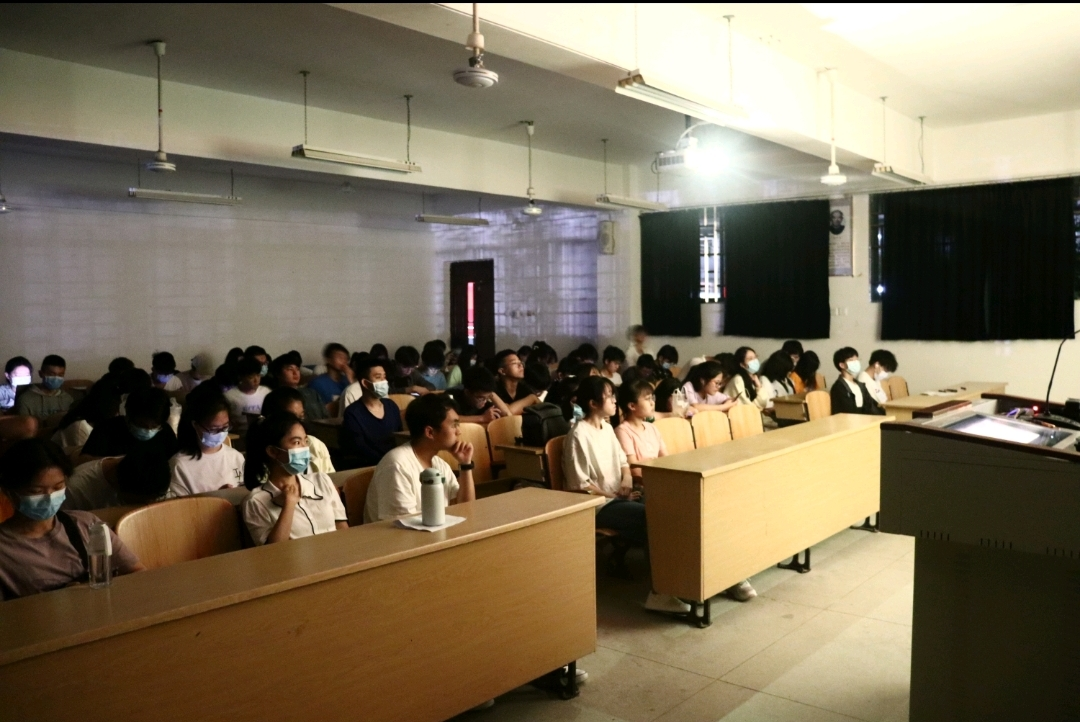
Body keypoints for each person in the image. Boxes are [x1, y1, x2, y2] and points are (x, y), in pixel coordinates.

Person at [563, 377, 699, 612]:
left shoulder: (606, 428)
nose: (615, 400)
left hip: (619, 496)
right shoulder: (578, 435)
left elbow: (624, 463)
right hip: (598, 505)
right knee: (654, 518)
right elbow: (580, 485)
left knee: (673, 507)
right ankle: (659, 593)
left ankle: (683, 582)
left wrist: (626, 483)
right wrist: (615, 496)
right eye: (609, 396)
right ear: (593, 403)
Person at [0, 438, 144, 600]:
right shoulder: (4, 548)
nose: (49, 497)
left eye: (58, 487)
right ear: (10, 492)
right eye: (36, 491)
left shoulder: (87, 525)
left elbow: (137, 573)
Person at [365, 394, 476, 523]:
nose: (459, 432)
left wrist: (465, 465)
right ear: (430, 432)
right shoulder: (397, 465)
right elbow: (401, 525)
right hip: (396, 534)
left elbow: (465, 509)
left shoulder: (439, 464)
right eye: (454, 425)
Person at [241, 414, 347, 545]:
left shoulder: (322, 480)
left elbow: (343, 529)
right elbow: (273, 551)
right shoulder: (255, 502)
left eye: (305, 441)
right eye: (296, 442)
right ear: (273, 451)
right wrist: (289, 505)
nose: (305, 448)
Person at [167, 385, 245, 497]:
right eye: (213, 429)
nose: (220, 433)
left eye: (225, 427)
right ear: (195, 425)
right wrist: (216, 498)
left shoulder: (236, 457)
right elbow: (178, 505)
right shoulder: (180, 464)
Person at [81, 386, 178, 459]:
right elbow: (83, 460)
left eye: (154, 427)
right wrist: (114, 463)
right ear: (128, 415)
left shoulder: (165, 432)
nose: (148, 430)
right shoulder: (107, 429)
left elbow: (174, 460)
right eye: (142, 425)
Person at [341, 357, 403, 468]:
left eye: (384, 377)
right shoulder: (352, 413)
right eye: (378, 377)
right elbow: (361, 449)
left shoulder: (391, 406)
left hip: (396, 464)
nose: (384, 382)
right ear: (365, 383)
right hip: (371, 467)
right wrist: (388, 462)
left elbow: (399, 438)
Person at [63, 451, 172, 510]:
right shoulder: (74, 490)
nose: (150, 504)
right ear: (117, 485)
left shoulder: (153, 475)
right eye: (140, 502)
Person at [260, 388, 335, 474]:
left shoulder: (315, 445)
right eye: (291, 418)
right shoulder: (260, 454)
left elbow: (331, 478)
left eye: (301, 417)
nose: (298, 423)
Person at [615, 380, 667, 480]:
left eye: (652, 398)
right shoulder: (622, 431)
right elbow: (634, 470)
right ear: (632, 406)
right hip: (644, 482)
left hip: (659, 479)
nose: (652, 403)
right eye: (647, 399)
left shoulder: (652, 427)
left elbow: (665, 459)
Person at [52, 383, 121, 450]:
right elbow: (90, 456)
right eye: (117, 407)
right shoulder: (80, 426)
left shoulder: (98, 422)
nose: (118, 413)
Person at [269, 352, 326, 421]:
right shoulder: (275, 398)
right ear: (278, 374)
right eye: (290, 369)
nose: (295, 373)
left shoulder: (311, 393)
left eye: (297, 369)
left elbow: (326, 416)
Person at [15, 354, 74, 421]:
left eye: (60, 375)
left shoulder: (67, 399)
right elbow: (23, 425)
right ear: (41, 374)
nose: (56, 378)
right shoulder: (26, 400)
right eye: (51, 374)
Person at [830, 348, 886, 416]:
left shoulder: (860, 385)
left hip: (865, 419)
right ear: (842, 365)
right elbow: (846, 412)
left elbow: (871, 405)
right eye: (851, 360)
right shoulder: (838, 387)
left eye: (857, 360)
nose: (856, 363)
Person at [445, 366, 511, 423]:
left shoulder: (486, 404)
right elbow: (449, 419)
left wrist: (491, 394)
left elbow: (508, 415)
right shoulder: (451, 396)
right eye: (480, 398)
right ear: (467, 392)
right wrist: (482, 418)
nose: (484, 401)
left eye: (488, 397)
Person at [224, 358, 271, 434]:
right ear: (240, 377)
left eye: (258, 375)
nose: (256, 380)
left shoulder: (266, 392)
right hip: (239, 433)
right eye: (251, 377)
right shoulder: (229, 396)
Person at [725, 347, 774, 411]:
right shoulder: (738, 380)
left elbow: (763, 402)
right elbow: (747, 407)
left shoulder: (753, 378)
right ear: (742, 364)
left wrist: (758, 386)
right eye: (750, 359)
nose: (755, 361)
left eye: (755, 357)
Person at [308, 343, 354, 409]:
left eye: (346, 358)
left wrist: (351, 380)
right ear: (329, 360)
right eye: (339, 357)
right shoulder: (317, 383)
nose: (343, 361)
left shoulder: (347, 380)